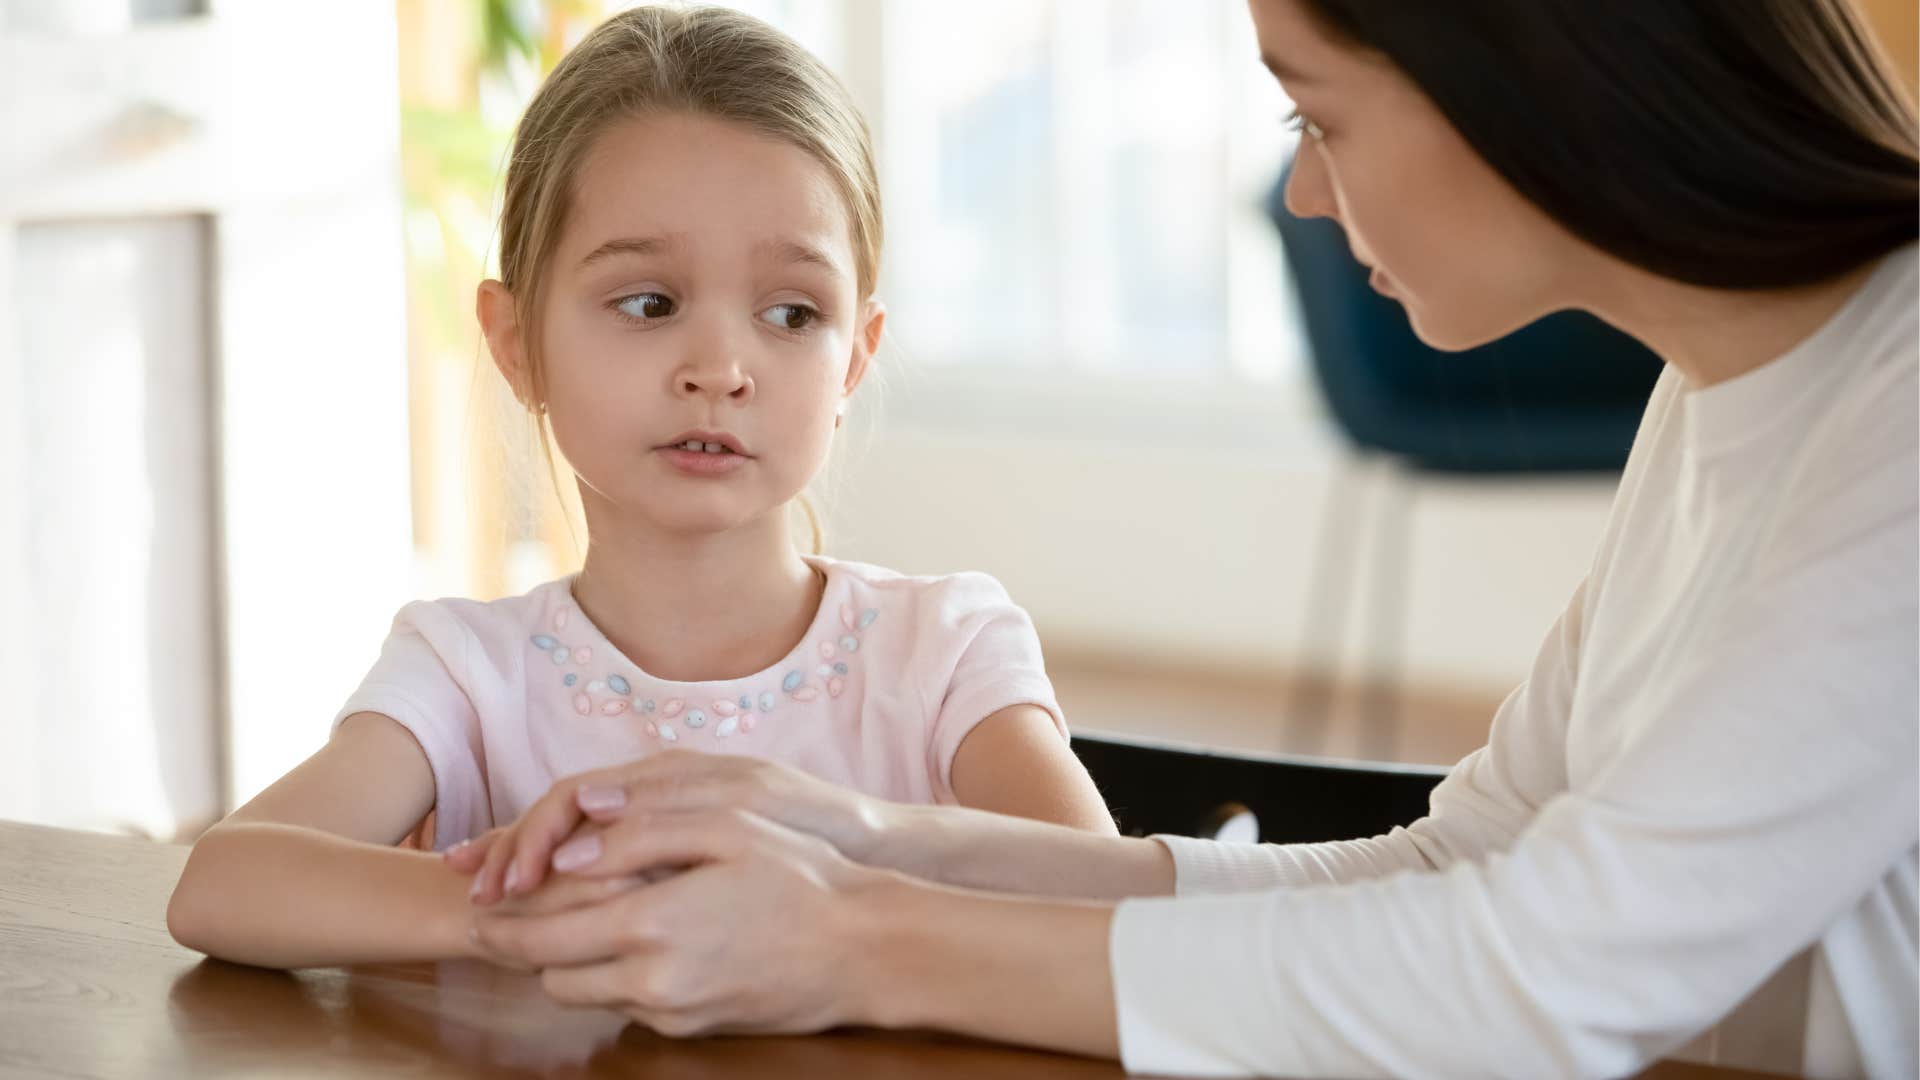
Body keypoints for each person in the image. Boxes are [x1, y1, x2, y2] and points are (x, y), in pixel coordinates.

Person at [456, 2, 1920, 1077]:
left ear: (1522, 77)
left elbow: (1533, 974)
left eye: (1316, 114)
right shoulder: (1726, 394)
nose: (1302, 189)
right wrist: (876, 842)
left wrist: (852, 938)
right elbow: (1467, 857)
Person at [165, 5, 1114, 972]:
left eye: (792, 313)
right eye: (649, 303)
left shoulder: (945, 653)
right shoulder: (466, 675)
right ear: (516, 343)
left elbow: (1113, 908)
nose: (720, 367)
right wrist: (528, 913)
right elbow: (223, 884)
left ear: (854, 363)